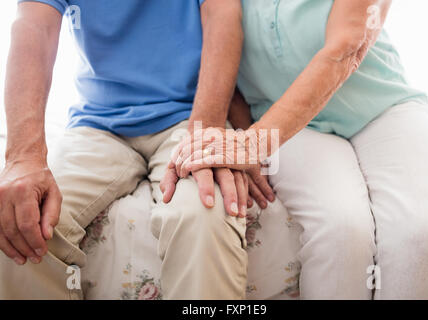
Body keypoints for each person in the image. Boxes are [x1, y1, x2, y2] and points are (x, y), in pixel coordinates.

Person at [166, 0, 428, 299]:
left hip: (384, 107)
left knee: (419, 232)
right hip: (289, 127)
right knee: (340, 230)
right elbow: (221, 59)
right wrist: (233, 134)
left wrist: (251, 144)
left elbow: (345, 47)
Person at [0, 0, 248, 299]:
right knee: (22, 222)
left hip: (190, 119)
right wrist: (23, 157)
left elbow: (223, 14)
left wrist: (204, 134)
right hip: (98, 125)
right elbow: (33, 25)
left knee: (204, 216)